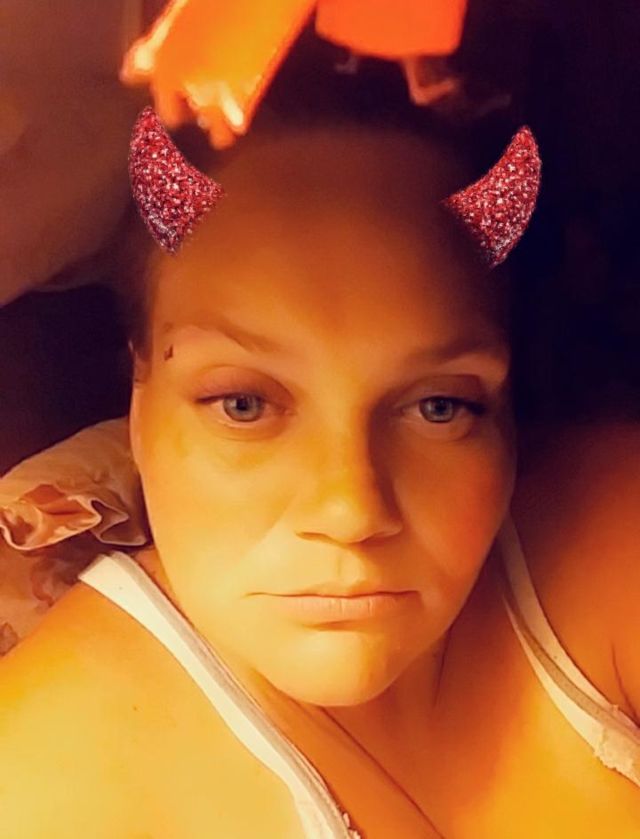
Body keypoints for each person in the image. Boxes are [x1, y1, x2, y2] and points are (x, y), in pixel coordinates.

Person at [0, 91, 638, 839]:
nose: (351, 511)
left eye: (438, 406)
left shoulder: (608, 528)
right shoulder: (38, 784)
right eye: (244, 404)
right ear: (140, 404)